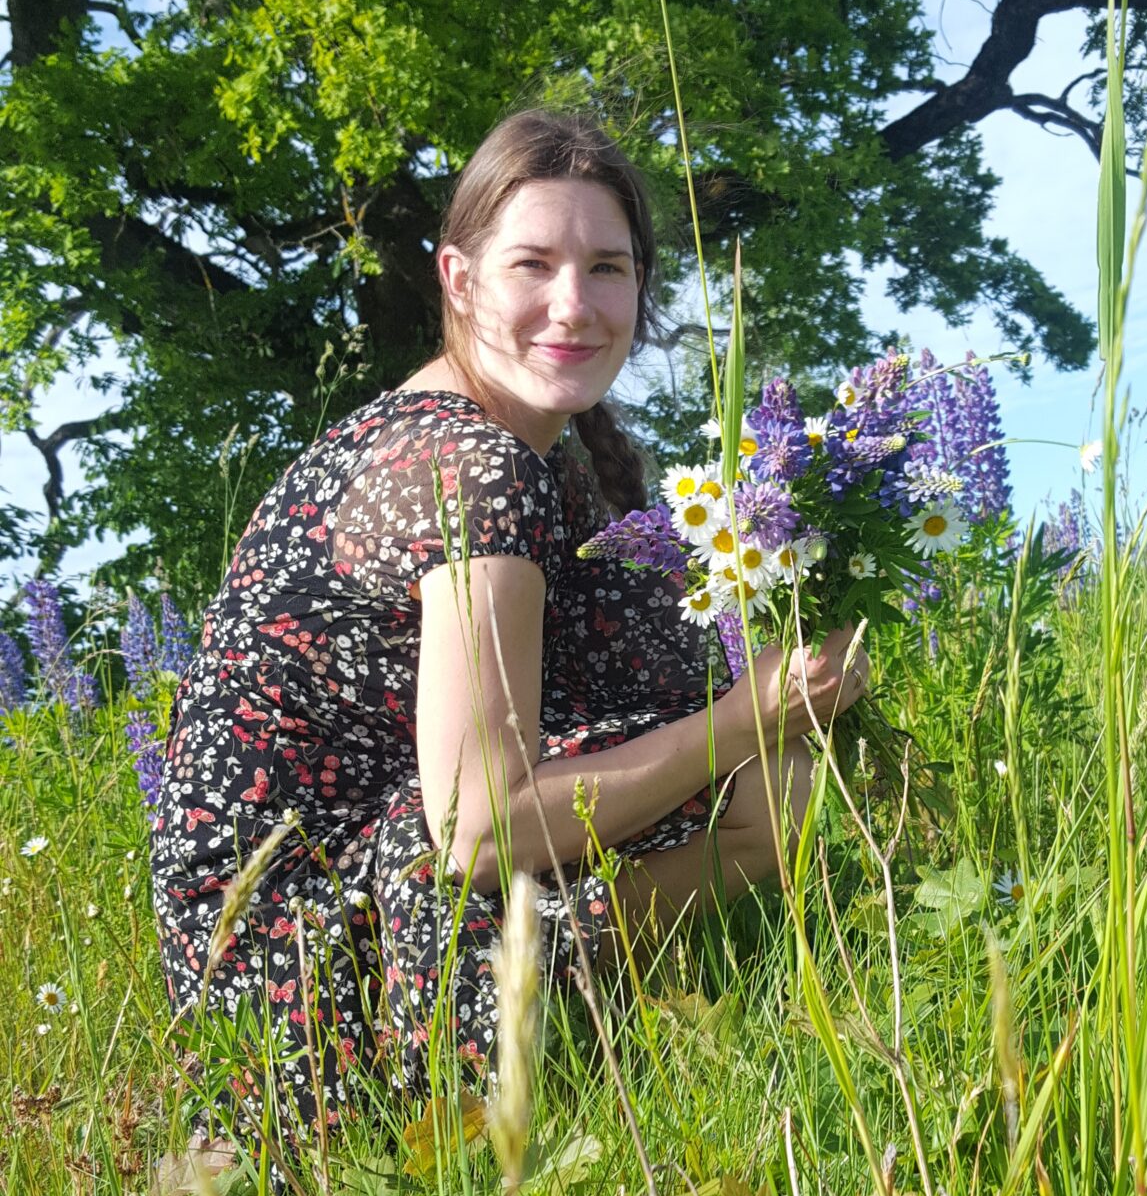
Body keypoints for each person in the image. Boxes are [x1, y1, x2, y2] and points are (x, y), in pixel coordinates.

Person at [151, 109, 869, 1134]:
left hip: (305, 926)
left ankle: (603, 1020)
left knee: (731, 748)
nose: (573, 304)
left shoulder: (506, 446)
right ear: (458, 279)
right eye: (532, 263)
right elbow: (476, 829)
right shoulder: (472, 469)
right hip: (295, 976)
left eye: (606, 268)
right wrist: (748, 720)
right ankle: (541, 1074)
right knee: (757, 785)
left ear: (640, 287)